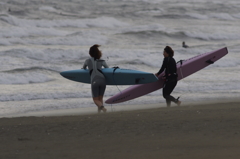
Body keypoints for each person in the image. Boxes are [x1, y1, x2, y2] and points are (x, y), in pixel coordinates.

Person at [83, 44, 109, 113]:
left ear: (89, 53)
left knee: (95, 99)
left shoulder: (87, 61)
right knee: (100, 98)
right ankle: (99, 112)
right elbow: (108, 69)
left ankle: (103, 109)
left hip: (94, 81)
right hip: (103, 80)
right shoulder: (102, 61)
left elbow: (84, 68)